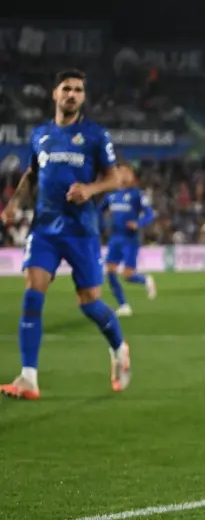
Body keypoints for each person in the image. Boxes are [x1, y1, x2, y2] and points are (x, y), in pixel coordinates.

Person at [0, 69, 132, 400]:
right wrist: (15, 203)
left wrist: (90, 188)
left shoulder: (94, 135)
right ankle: (29, 377)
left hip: (81, 231)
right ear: (54, 94)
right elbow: (32, 174)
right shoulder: (40, 134)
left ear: (83, 98)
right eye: (66, 89)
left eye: (77, 90)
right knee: (33, 293)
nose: (71, 94)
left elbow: (114, 179)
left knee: (89, 303)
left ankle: (119, 348)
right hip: (44, 228)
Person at [103, 162, 157, 315]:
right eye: (120, 172)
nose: (123, 175)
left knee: (127, 275)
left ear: (132, 176)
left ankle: (146, 280)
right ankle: (123, 306)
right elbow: (98, 210)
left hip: (130, 239)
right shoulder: (112, 194)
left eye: (126, 172)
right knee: (110, 272)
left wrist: (138, 223)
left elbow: (150, 214)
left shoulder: (136, 195)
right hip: (115, 238)